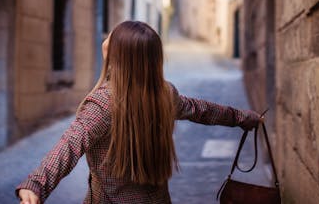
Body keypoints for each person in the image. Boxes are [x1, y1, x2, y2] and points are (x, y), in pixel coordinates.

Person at [16, 21, 262, 204]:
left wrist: (36, 184)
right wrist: (243, 117)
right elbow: (203, 111)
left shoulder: (103, 103)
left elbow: (69, 144)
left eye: (112, 38)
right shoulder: (164, 93)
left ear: (118, 55)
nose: (106, 40)